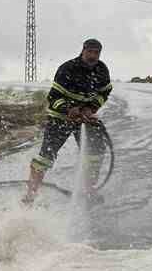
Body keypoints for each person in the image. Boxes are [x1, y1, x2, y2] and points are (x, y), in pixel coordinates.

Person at [22, 38, 111, 206]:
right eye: (90, 51)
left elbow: (105, 92)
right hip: (59, 118)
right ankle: (30, 195)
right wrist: (68, 109)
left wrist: (90, 108)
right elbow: (53, 96)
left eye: (96, 53)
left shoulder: (102, 70)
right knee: (46, 157)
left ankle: (89, 190)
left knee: (95, 153)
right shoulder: (67, 68)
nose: (93, 56)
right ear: (83, 50)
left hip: (84, 119)